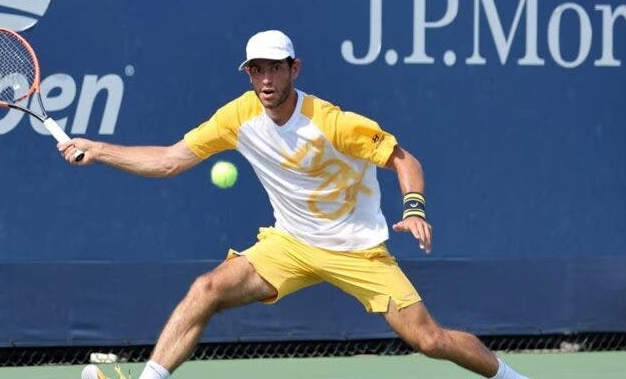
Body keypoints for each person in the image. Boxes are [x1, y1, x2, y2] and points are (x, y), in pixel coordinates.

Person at [59, 30, 528, 379]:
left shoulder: (332, 123)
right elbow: (167, 161)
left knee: (428, 339)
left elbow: (406, 160)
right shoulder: (237, 116)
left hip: (358, 248)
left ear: (294, 70)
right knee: (206, 289)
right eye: (256, 69)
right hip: (291, 243)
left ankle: (509, 377)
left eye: (275, 68)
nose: (265, 79)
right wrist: (98, 150)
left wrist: (415, 209)